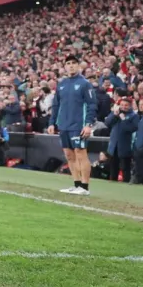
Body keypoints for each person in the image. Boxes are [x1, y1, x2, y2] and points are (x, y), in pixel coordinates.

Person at [48, 58, 97, 196]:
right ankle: (77, 185)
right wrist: (52, 122)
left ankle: (85, 187)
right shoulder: (61, 84)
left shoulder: (85, 84)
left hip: (78, 124)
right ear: (65, 67)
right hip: (64, 124)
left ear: (78, 66)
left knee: (80, 153)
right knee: (69, 155)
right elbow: (56, 105)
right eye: (68, 64)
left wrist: (88, 125)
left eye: (73, 63)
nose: (71, 66)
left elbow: (92, 105)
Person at [104, 97, 138, 184]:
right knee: (113, 167)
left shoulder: (134, 116)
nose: (123, 107)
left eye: (126, 105)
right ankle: (113, 183)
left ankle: (126, 184)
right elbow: (107, 123)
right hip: (114, 145)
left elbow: (131, 128)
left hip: (125, 145)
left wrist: (124, 119)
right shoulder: (115, 112)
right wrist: (114, 115)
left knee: (125, 168)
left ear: (130, 106)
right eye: (122, 105)